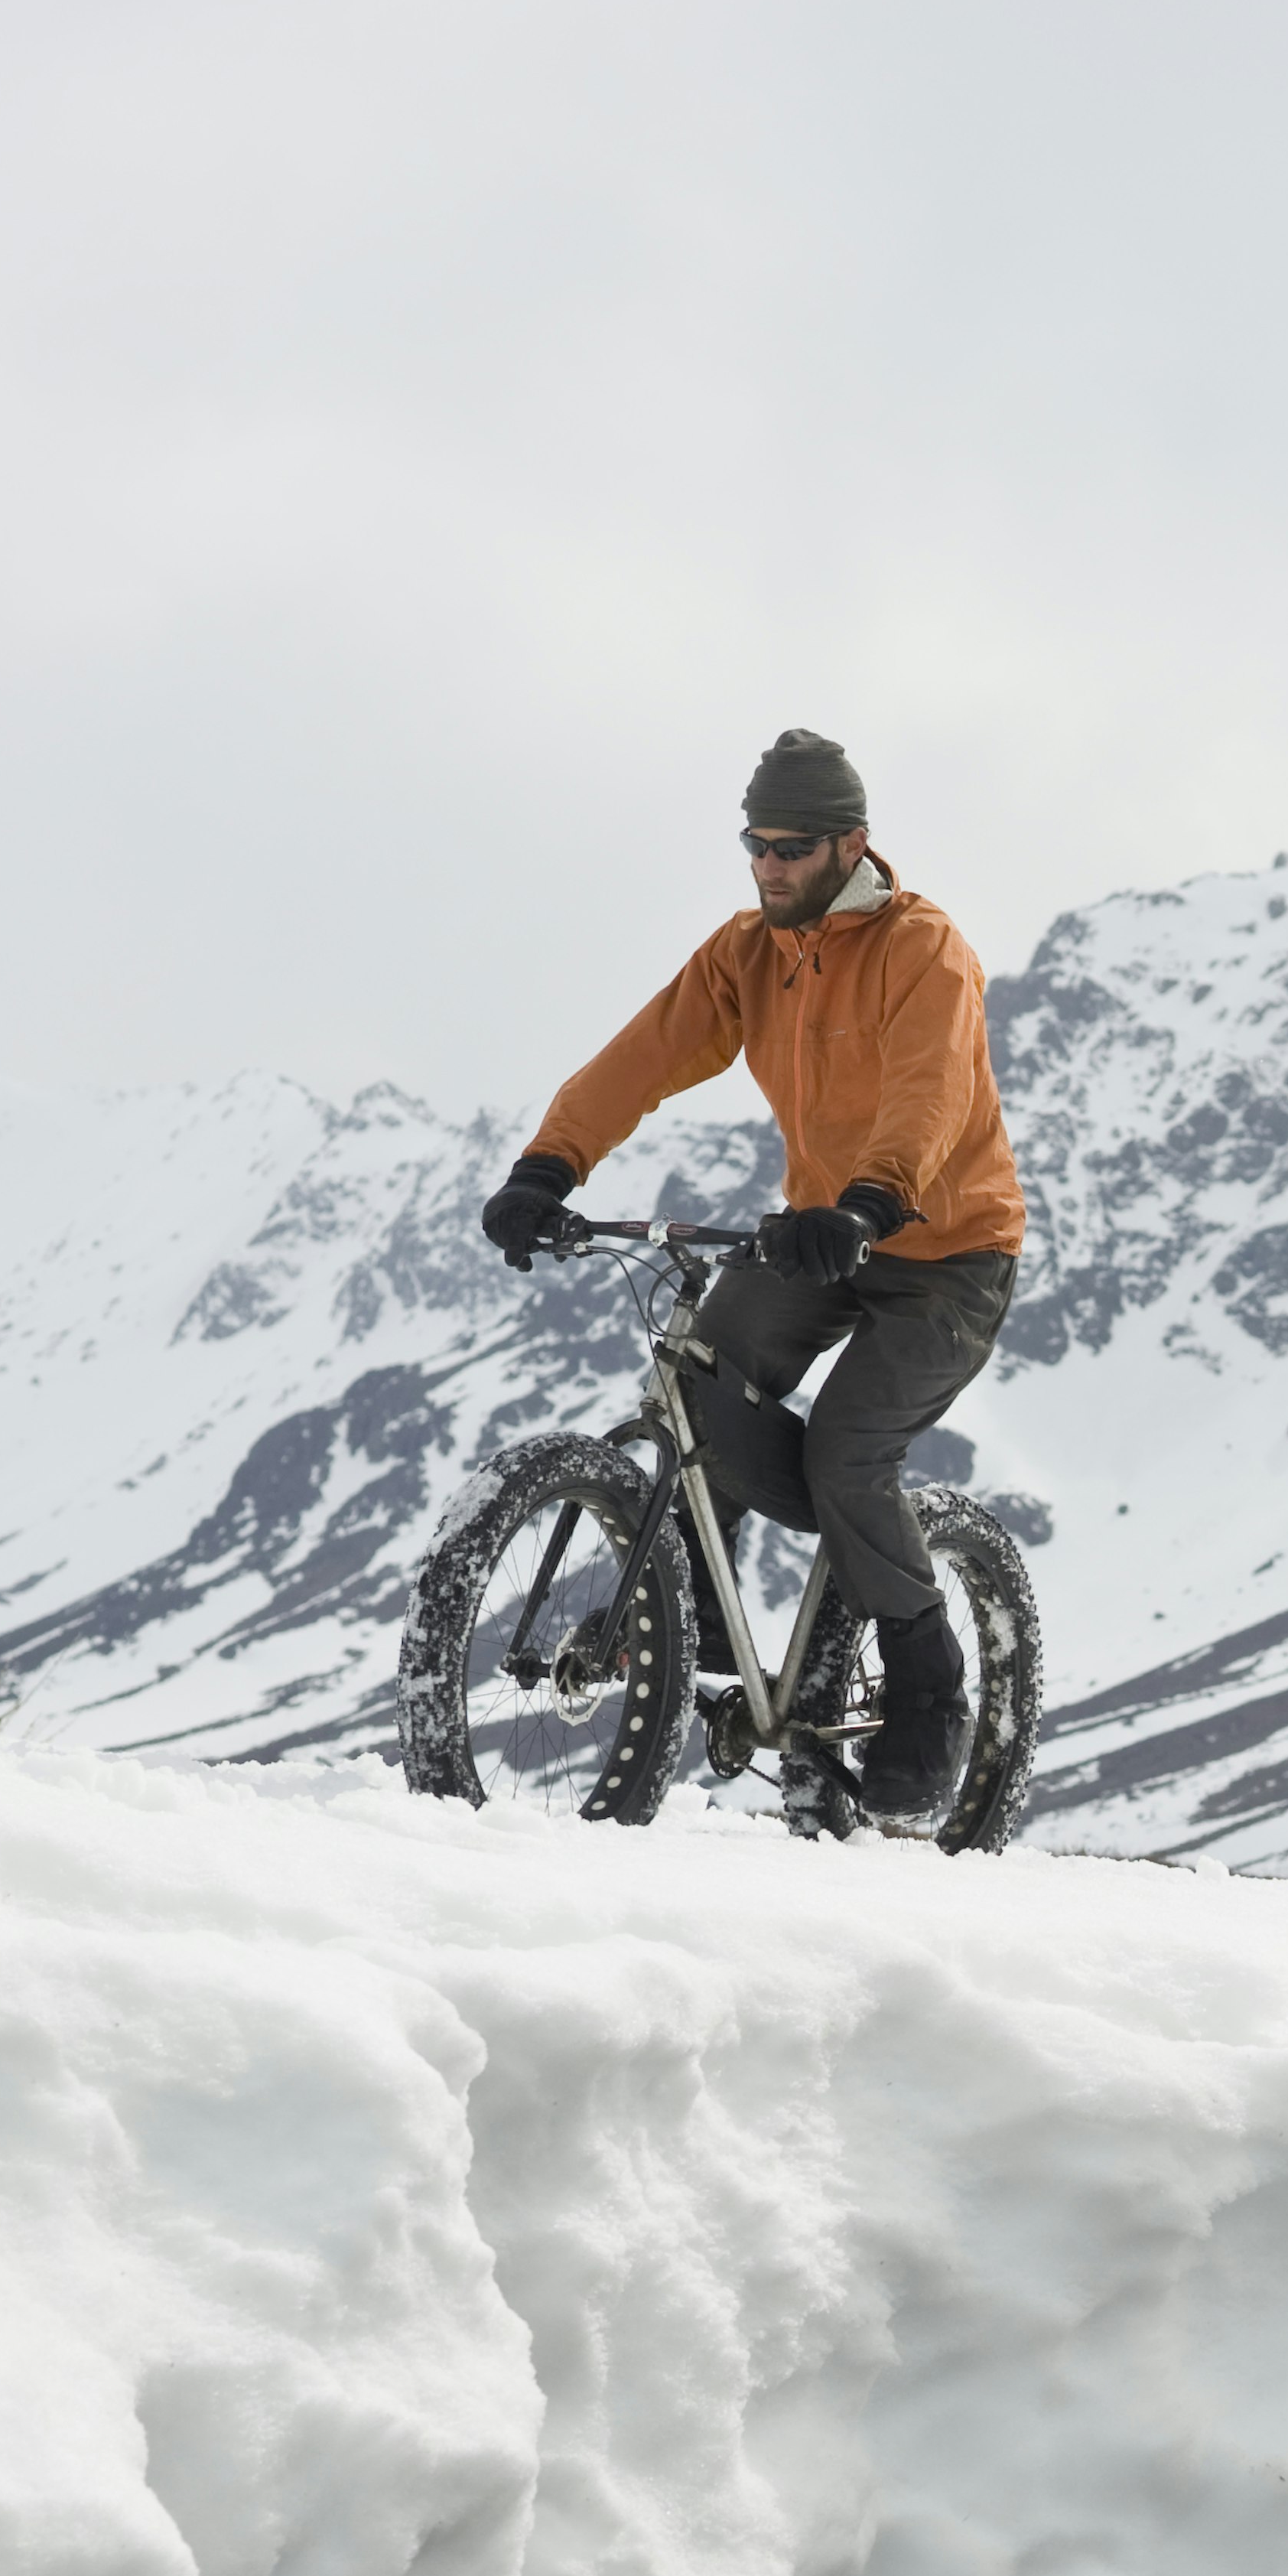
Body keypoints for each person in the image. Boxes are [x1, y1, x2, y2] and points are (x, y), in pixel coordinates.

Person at [480, 728, 1023, 1833]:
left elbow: (930, 1094)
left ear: (850, 845)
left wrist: (869, 1205)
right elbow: (644, 1056)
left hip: (943, 1251)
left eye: (791, 848)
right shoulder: (749, 954)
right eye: (755, 846)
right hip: (823, 1235)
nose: (769, 866)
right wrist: (549, 1165)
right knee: (705, 1378)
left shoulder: (925, 950)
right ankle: (703, 1625)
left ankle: (929, 1684)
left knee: (846, 1456)